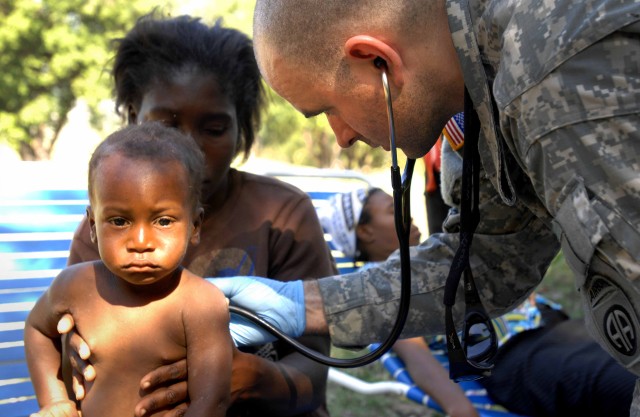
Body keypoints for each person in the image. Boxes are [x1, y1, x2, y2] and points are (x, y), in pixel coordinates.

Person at [209, 0, 640, 414]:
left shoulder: (558, 68)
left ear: (377, 61)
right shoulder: (478, 88)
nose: (340, 137)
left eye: (328, 109)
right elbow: (491, 260)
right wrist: (306, 305)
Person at [61, 13, 335, 417]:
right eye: (167, 124)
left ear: (240, 129)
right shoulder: (103, 232)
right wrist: (71, 352)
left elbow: (315, 372)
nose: (188, 149)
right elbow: (64, 346)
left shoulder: (282, 216)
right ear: (134, 115)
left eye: (213, 129)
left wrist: (250, 377)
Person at [24, 122, 234, 417]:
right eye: (119, 221)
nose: (140, 242)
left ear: (194, 226)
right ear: (93, 227)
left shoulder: (200, 304)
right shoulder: (74, 286)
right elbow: (37, 329)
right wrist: (54, 400)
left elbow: (212, 403)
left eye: (163, 221)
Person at [319, 187, 479, 417]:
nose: (409, 214)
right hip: (514, 356)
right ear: (365, 232)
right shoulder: (381, 290)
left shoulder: (425, 262)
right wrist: (460, 408)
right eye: (393, 210)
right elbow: (415, 354)